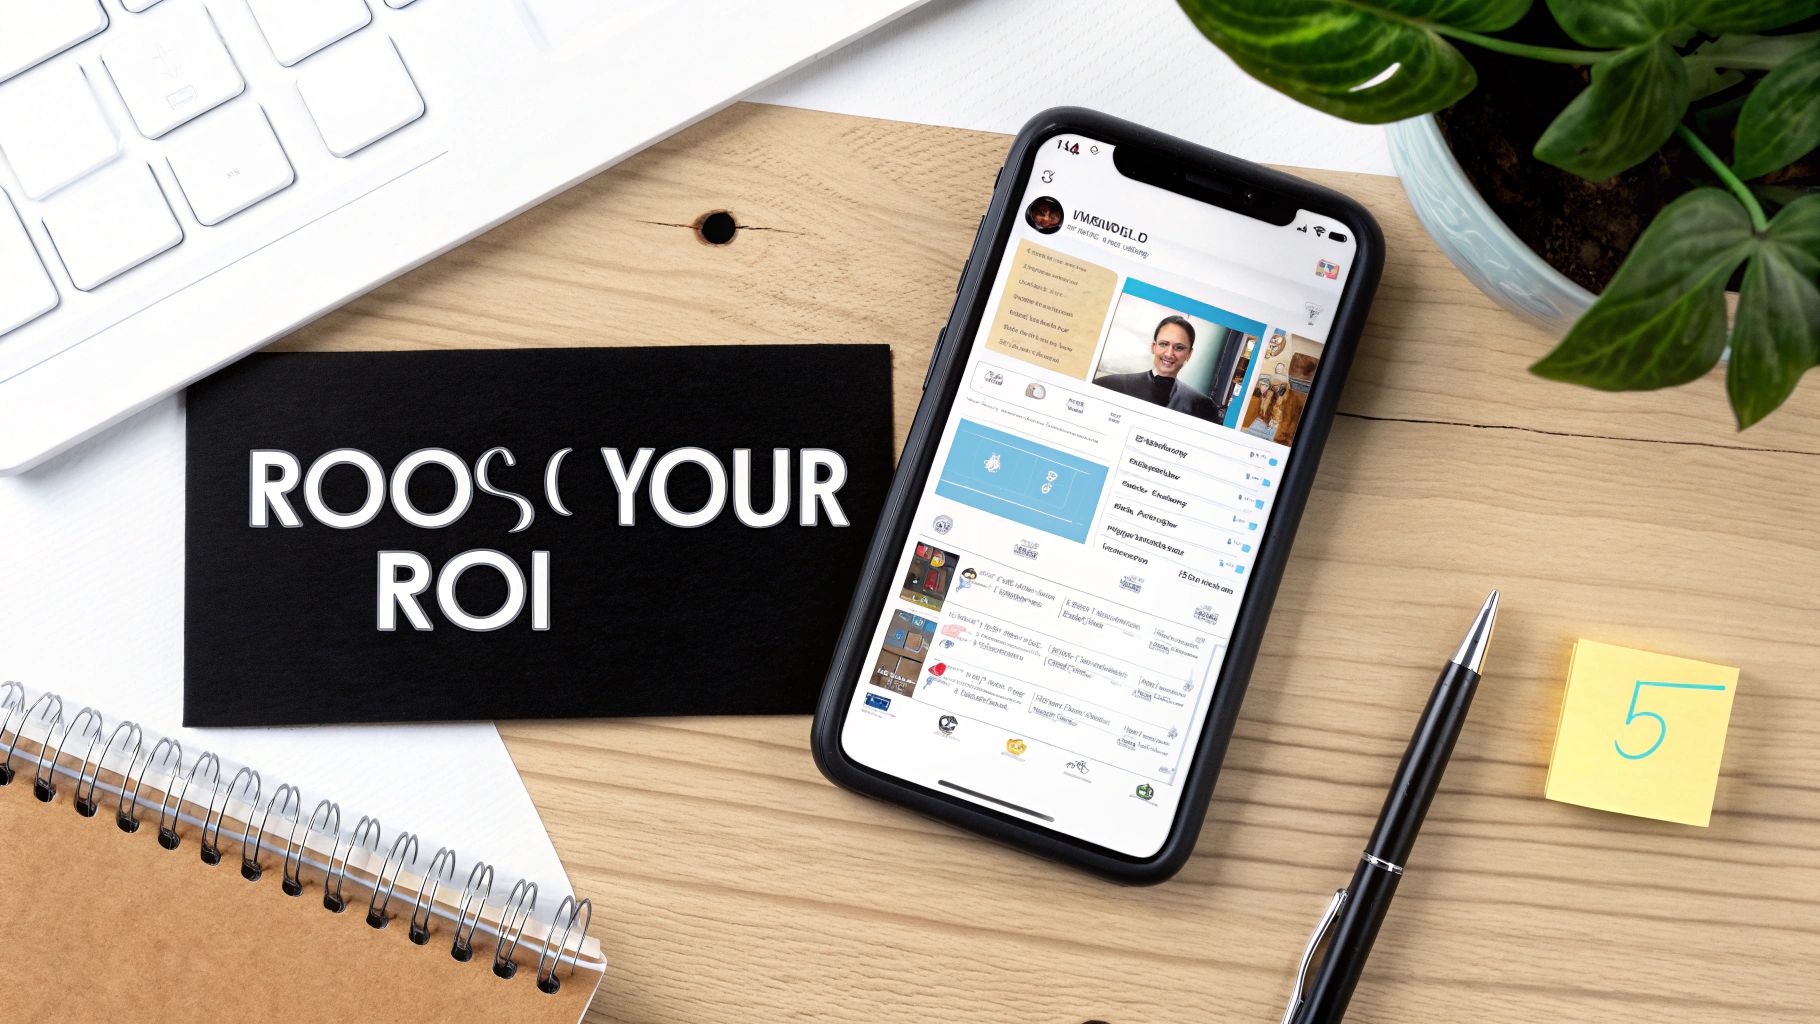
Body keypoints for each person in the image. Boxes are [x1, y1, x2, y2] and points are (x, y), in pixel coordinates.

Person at [1093, 315, 1220, 420]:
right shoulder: (1109, 385)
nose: (1169, 354)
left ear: (1189, 354)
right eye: (1164, 344)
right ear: (1153, 347)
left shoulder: (1204, 407)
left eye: (1179, 347)